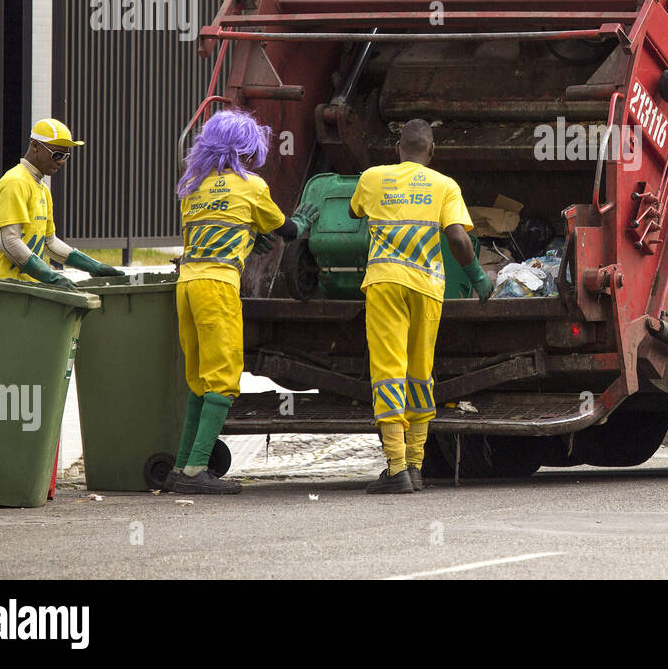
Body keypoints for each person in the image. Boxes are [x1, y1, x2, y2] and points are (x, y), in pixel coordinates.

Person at [168, 109, 318, 495]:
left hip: (187, 284)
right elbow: (285, 227)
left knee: (200, 379)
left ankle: (182, 465)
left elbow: (218, 226)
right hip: (218, 286)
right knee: (223, 379)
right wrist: (303, 222)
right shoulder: (251, 186)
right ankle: (195, 472)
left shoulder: (193, 184)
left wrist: (249, 237)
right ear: (245, 149)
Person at [349, 119, 493, 494]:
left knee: (388, 371)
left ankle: (396, 468)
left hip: (385, 284)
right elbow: (459, 238)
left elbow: (354, 213)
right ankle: (414, 466)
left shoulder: (372, 177)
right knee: (419, 374)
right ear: (432, 151)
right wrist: (477, 276)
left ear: (398, 148)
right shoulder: (445, 185)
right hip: (429, 287)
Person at [0, 118, 124, 287]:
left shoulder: (42, 188)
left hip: (25, 286)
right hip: (1, 285)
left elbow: (49, 243)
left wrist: (94, 266)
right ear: (35, 146)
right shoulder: (15, 182)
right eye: (57, 154)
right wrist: (51, 277)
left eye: (66, 156)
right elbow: (9, 242)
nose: (61, 161)